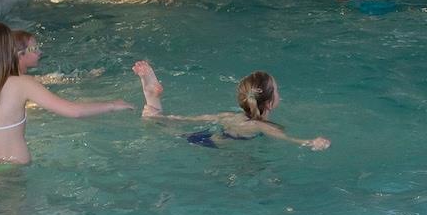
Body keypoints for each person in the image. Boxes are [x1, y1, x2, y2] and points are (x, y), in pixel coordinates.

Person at [0, 21, 131, 165]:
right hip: (15, 165)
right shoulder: (23, 84)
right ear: (8, 50)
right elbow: (74, 111)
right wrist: (112, 105)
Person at [132, 60, 330, 150]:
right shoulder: (261, 125)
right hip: (210, 143)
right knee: (161, 129)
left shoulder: (232, 115)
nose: (279, 94)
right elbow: (285, 138)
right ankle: (153, 107)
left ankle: (153, 105)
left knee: (162, 123)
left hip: (206, 134)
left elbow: (192, 119)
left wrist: (170, 118)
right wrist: (309, 142)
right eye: (277, 91)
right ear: (269, 103)